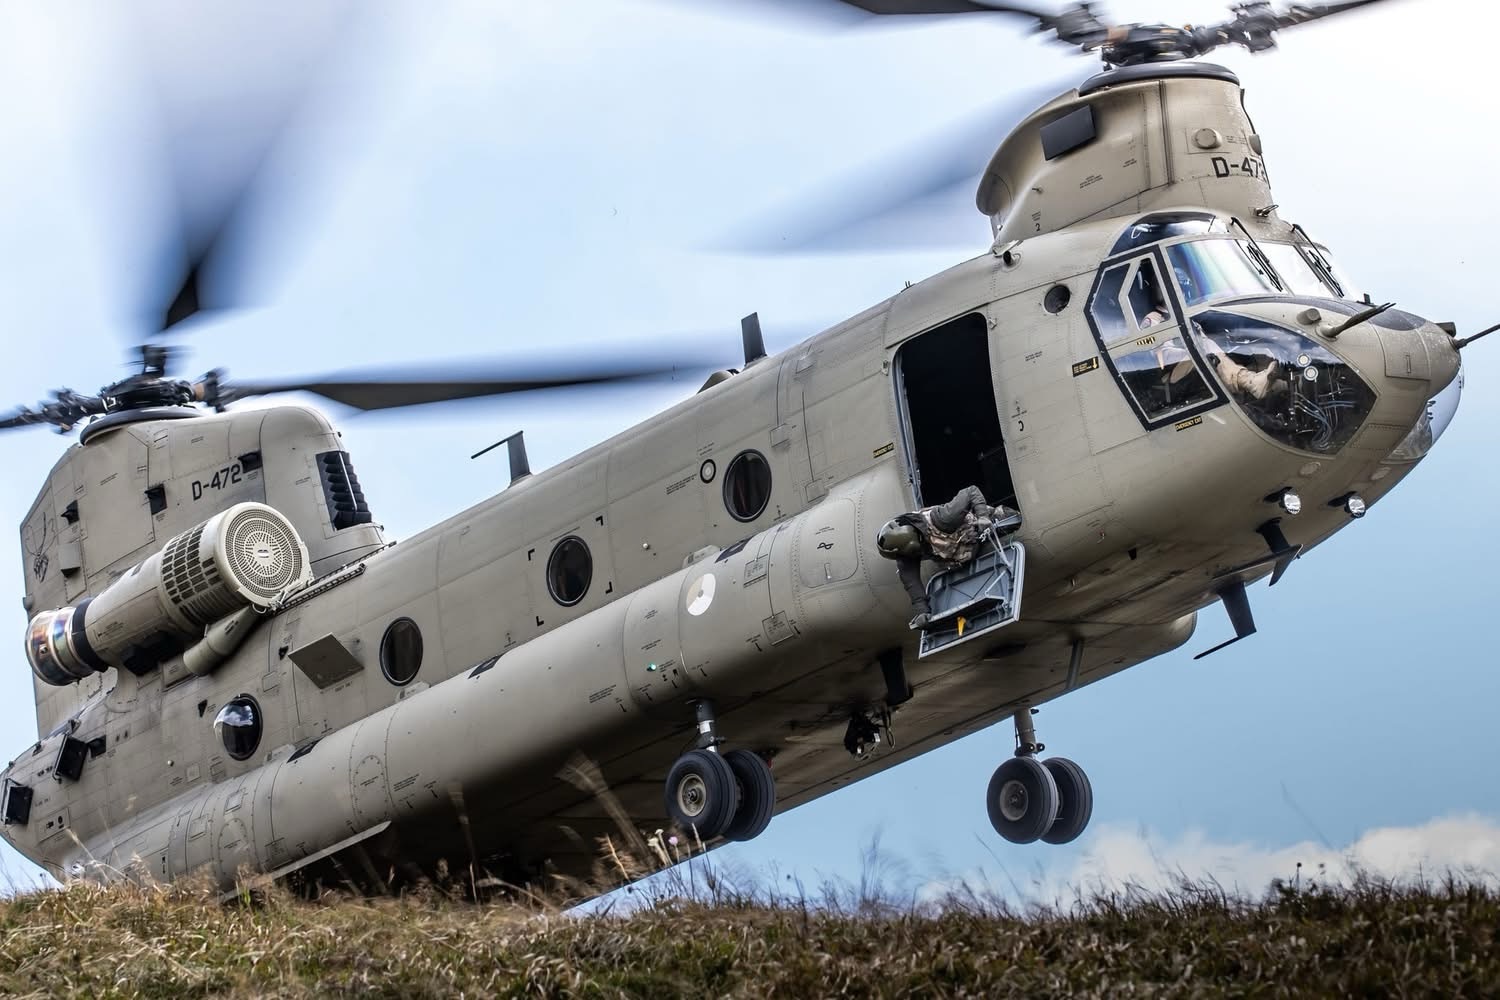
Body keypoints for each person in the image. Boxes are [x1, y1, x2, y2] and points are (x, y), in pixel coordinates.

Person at [875, 485, 1019, 630]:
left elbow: (971, 491)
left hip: (981, 533)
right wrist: (922, 612)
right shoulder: (905, 556)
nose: (912, 556)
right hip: (959, 558)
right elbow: (912, 584)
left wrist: (982, 517)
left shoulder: (944, 518)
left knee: (1010, 518)